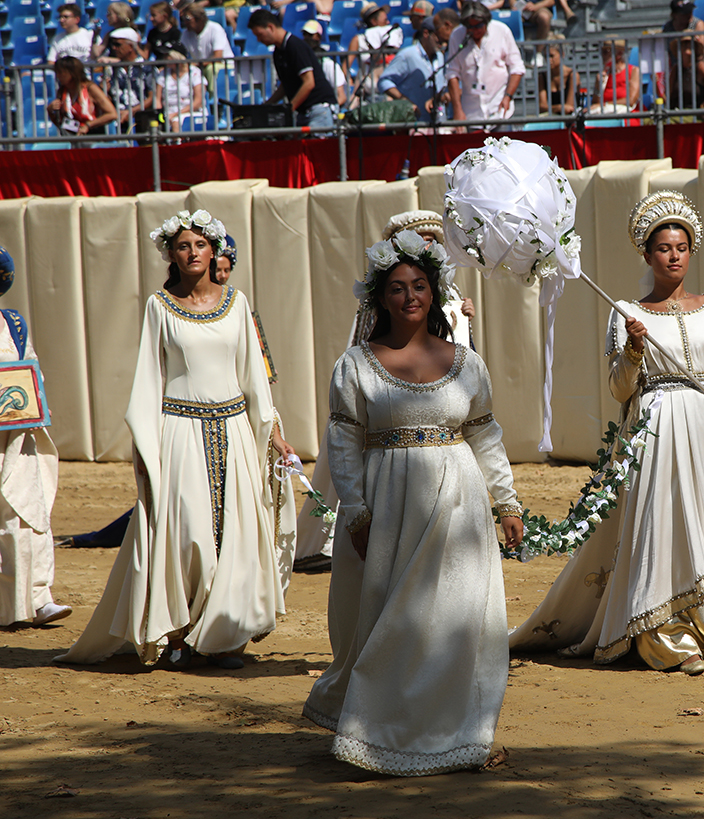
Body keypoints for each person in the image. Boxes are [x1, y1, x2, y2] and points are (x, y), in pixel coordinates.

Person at [510, 192, 704, 675]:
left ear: (692, 249)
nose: (674, 254)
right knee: (663, 527)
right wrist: (635, 350)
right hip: (657, 431)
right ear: (647, 254)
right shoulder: (625, 313)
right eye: (663, 248)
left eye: (682, 246)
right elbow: (620, 389)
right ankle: (664, 639)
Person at [301, 231, 523, 776]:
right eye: (397, 288)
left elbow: (484, 434)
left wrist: (507, 503)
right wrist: (353, 509)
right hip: (389, 506)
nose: (409, 297)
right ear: (380, 298)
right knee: (394, 623)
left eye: (419, 285)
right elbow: (344, 441)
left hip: (460, 506)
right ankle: (380, 732)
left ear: (434, 291)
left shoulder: (466, 363)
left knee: (459, 617)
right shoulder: (355, 364)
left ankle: (463, 735)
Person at [57, 210, 297, 671]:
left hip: (234, 433)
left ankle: (224, 639)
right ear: (170, 253)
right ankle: (182, 636)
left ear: (214, 251)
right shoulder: (159, 306)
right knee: (188, 537)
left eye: (200, 245)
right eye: (183, 246)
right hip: (180, 433)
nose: (192, 253)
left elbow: (254, 378)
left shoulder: (237, 302)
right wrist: (147, 447)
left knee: (236, 539)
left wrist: (274, 435)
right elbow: (149, 378)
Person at [293, 209, 477, 574]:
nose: (428, 246)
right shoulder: (388, 297)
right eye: (421, 240)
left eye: (433, 241)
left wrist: (467, 318)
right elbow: (369, 347)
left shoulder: (452, 295)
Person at [0, 245, 72, 628]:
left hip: (17, 438)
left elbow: (31, 373)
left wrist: (29, 406)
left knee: (29, 513)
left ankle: (38, 597)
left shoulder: (12, 324)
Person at [249, 9, 338, 131]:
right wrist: (267, 106)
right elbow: (285, 86)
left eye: (259, 35)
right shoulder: (278, 52)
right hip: (303, 111)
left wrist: (289, 109)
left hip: (319, 109)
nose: (259, 40)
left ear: (270, 27)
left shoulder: (295, 46)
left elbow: (309, 82)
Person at [446, 2, 524, 129]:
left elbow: (517, 68)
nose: (474, 30)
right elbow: (452, 73)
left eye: (478, 26)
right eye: (470, 27)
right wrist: (457, 109)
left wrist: (508, 97)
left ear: (486, 22)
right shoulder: (457, 36)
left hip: (499, 110)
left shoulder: (501, 31)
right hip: (471, 113)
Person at [378, 17, 447, 122]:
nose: (441, 41)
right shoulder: (407, 55)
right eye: (437, 36)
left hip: (438, 121)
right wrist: (404, 101)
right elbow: (384, 81)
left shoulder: (440, 56)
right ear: (426, 33)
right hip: (413, 124)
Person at [346, 2, 404, 105]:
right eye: (385, 20)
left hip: (389, 88)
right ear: (373, 21)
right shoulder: (358, 40)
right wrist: (349, 81)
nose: (388, 22)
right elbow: (346, 65)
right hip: (368, 86)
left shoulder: (391, 38)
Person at [47, 56, 117, 140]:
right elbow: (61, 124)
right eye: (57, 73)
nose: (58, 76)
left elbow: (112, 114)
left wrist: (88, 125)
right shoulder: (62, 91)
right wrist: (50, 111)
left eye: (61, 73)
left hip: (92, 135)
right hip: (72, 136)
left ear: (72, 73)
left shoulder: (90, 88)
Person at [101, 28, 152, 130]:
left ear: (130, 47)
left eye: (118, 45)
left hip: (140, 120)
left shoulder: (146, 68)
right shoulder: (112, 69)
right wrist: (104, 92)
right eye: (112, 45)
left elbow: (152, 97)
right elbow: (110, 98)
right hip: (117, 120)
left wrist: (131, 111)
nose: (114, 48)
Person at [666, 35, 704, 115]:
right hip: (675, 114)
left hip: (694, 116)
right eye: (684, 44)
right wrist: (656, 84)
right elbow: (667, 96)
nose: (687, 46)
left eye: (690, 44)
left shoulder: (700, 67)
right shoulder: (676, 69)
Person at [154, 48, 208, 130]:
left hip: (190, 112)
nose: (164, 58)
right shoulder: (163, 73)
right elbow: (157, 99)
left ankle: (178, 142)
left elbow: (198, 102)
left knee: (176, 122)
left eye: (167, 56)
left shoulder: (195, 73)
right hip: (168, 113)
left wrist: (175, 114)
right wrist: (159, 115)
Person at [302, 21, 348, 108]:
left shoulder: (329, 65)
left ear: (318, 37)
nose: (307, 38)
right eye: (305, 34)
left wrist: (328, 109)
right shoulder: (302, 62)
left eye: (310, 35)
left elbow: (341, 97)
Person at [590, 38, 640, 116]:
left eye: (606, 52)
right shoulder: (604, 74)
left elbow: (631, 100)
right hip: (606, 114)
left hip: (628, 115)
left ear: (619, 55)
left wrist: (605, 105)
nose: (602, 55)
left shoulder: (634, 71)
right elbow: (595, 103)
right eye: (602, 52)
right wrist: (598, 86)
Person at [537, 34, 578, 115]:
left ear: (562, 54)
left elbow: (569, 107)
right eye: (546, 56)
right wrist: (560, 107)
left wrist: (551, 108)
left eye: (551, 56)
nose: (548, 60)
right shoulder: (542, 77)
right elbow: (542, 107)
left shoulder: (573, 75)